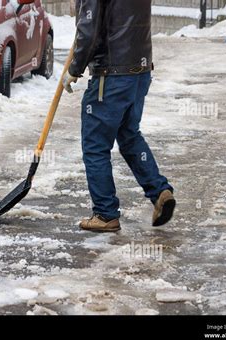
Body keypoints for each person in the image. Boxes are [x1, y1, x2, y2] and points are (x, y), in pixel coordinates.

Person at [62, 0, 175, 232]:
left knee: (95, 146)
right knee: (129, 135)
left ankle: (105, 214)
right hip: (140, 72)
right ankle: (159, 190)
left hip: (110, 76)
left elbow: (89, 28)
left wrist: (75, 68)